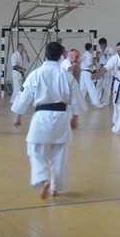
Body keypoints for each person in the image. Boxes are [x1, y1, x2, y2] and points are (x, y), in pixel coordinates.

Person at [12, 42, 82, 199]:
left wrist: (18, 115)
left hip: (41, 117)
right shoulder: (66, 75)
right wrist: (75, 117)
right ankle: (55, 188)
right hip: (61, 117)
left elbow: (24, 96)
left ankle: (42, 179)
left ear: (45, 55)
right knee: (59, 154)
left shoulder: (36, 74)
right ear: (60, 56)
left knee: (35, 150)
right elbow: (76, 98)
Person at [79, 43, 103, 108]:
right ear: (90, 48)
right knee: (91, 87)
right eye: (92, 47)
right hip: (87, 73)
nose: (92, 48)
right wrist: (94, 63)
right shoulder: (89, 55)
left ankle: (79, 103)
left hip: (82, 72)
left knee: (82, 88)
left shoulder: (84, 54)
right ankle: (96, 103)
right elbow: (89, 64)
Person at [96, 38, 114, 105]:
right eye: (100, 45)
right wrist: (97, 55)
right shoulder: (99, 49)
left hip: (108, 68)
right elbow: (97, 60)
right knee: (98, 84)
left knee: (106, 86)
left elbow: (110, 61)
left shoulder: (110, 49)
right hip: (101, 67)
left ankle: (105, 101)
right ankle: (97, 99)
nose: (101, 46)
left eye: (102, 45)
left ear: (105, 44)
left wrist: (104, 53)